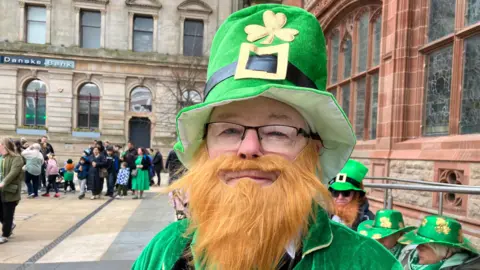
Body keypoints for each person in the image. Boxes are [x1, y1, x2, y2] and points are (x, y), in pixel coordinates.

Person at [132, 4, 401, 270]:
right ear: (205, 147)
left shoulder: (367, 262)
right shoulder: (166, 251)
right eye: (229, 130)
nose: (249, 148)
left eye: (276, 132)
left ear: (314, 150)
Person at [398, 215, 479, 269]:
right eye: (418, 243)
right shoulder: (411, 258)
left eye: (424, 246)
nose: (417, 248)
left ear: (446, 252)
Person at [329, 159, 375, 230]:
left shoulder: (367, 220)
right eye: (335, 192)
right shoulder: (324, 214)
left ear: (357, 194)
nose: (340, 197)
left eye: (346, 192)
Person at [0, 138, 24, 244]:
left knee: (7, 214)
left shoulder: (17, 158)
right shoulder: (2, 158)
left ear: (5, 146)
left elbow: (13, 172)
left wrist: (3, 182)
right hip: (1, 190)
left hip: (10, 190)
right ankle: (10, 226)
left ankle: (5, 234)